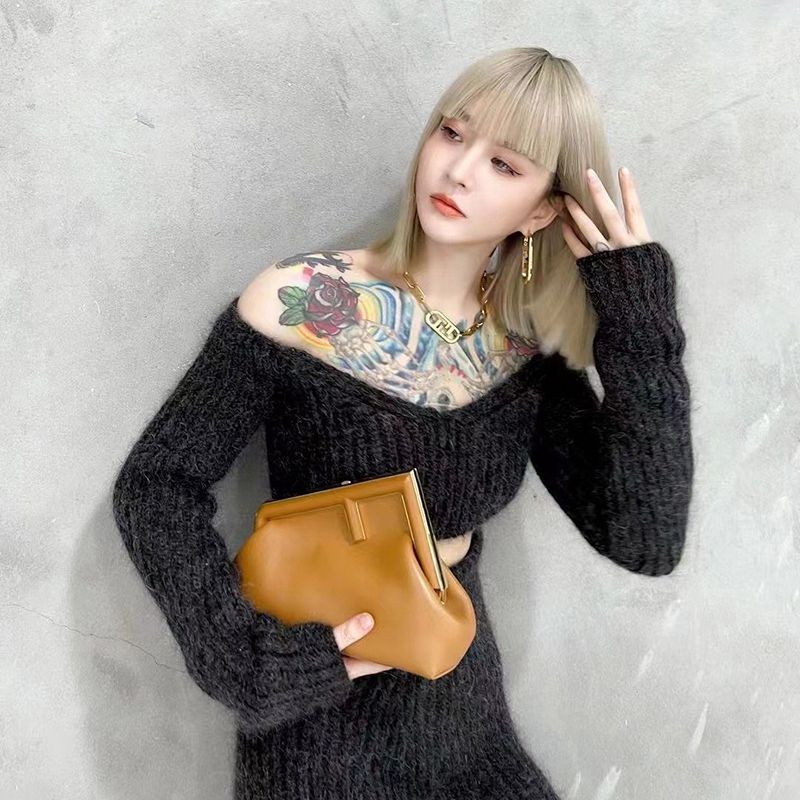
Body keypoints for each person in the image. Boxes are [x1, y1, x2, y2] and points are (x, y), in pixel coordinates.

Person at [112, 46, 693, 800]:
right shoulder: (300, 300)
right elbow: (156, 484)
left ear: (541, 210)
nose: (459, 171)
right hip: (316, 751)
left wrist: (638, 320)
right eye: (453, 133)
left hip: (469, 736)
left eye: (504, 164)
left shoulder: (527, 352)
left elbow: (646, 539)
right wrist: (248, 663)